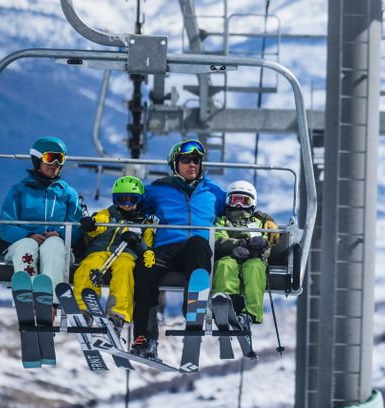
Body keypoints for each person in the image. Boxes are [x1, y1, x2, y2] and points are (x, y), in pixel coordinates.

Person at [131, 139, 224, 360]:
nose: (192, 164)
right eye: (186, 160)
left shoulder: (213, 192)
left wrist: (266, 223)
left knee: (198, 245)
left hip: (196, 250)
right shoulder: (158, 189)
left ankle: (193, 311)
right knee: (145, 262)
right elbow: (129, 205)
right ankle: (145, 337)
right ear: (175, 164)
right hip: (166, 248)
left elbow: (241, 211)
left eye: (196, 160)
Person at [72, 175, 156, 338]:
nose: (126, 204)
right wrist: (90, 225)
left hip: (126, 255)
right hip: (100, 251)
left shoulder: (145, 224)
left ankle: (117, 315)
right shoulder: (108, 214)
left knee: (125, 270)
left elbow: (148, 252)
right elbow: (97, 224)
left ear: (139, 201)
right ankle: (84, 310)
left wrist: (138, 243)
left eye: (131, 200)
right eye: (121, 200)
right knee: (88, 266)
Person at [0, 136, 83, 286]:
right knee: (27, 245)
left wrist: (60, 234)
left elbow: (76, 227)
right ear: (37, 160)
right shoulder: (20, 191)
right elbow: (5, 227)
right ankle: (27, 293)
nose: (55, 164)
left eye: (60, 159)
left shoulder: (69, 193)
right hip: (22, 244)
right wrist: (28, 235)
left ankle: (50, 299)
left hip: (57, 247)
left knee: (54, 245)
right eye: (50, 158)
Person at [213, 180, 280, 329]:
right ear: (228, 201)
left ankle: (249, 314)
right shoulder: (223, 220)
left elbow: (270, 238)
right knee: (224, 266)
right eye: (235, 200)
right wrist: (236, 244)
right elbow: (219, 238)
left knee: (255, 268)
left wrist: (262, 243)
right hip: (230, 256)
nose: (239, 205)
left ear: (252, 203)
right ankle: (227, 305)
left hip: (254, 257)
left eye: (244, 201)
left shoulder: (258, 221)